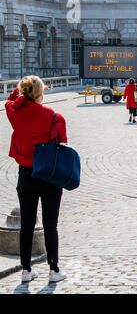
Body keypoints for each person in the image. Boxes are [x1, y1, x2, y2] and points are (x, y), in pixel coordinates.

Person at [5, 76, 68, 283]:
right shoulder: (54, 117)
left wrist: (24, 93)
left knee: (27, 225)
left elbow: (10, 99)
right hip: (49, 175)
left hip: (26, 174)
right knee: (51, 225)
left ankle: (26, 270)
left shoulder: (15, 113)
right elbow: (62, 143)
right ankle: (54, 269)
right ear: (40, 94)